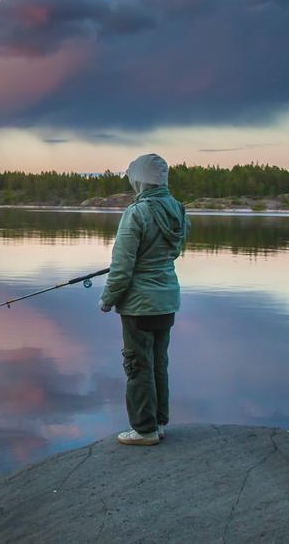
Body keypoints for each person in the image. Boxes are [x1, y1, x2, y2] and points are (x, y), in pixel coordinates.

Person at [99, 154, 189, 446]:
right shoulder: (178, 209)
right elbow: (171, 252)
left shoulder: (136, 213)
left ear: (139, 179)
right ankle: (158, 422)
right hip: (167, 298)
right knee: (158, 362)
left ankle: (144, 429)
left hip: (139, 303)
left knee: (138, 364)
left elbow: (122, 267)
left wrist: (107, 299)